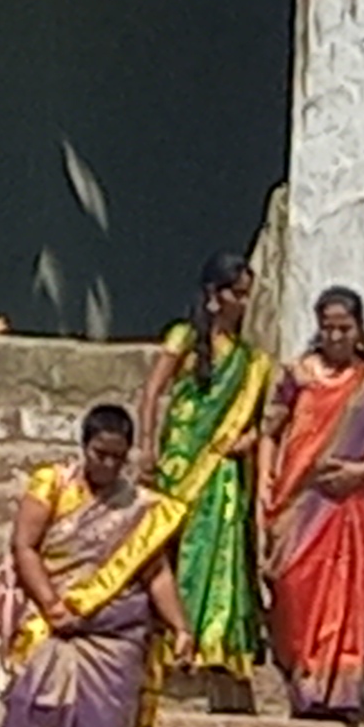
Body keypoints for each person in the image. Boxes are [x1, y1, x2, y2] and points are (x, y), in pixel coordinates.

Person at [0, 402, 186, 727]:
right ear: (84, 448)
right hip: (56, 624)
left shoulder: (139, 508)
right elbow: (25, 546)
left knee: (107, 726)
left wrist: (180, 626)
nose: (108, 464)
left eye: (118, 457)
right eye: (101, 454)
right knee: (38, 707)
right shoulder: (52, 485)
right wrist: (52, 604)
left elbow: (155, 572)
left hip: (116, 636)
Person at [260, 287, 364, 722]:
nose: (336, 337)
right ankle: (304, 682)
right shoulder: (297, 375)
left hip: (352, 504)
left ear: (359, 330)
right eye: (328, 329)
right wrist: (268, 478)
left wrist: (362, 472)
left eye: (344, 328)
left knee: (353, 589)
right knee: (291, 583)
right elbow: (271, 429)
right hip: (300, 499)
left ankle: (340, 693)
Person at [135, 250, 270, 691]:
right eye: (237, 294)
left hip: (222, 468)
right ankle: (169, 636)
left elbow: (260, 424)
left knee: (217, 548)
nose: (243, 304)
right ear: (214, 294)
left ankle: (213, 642)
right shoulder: (185, 338)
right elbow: (152, 392)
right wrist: (147, 448)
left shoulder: (252, 362)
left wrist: (246, 442)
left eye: (248, 295)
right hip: (180, 461)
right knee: (171, 546)